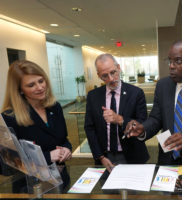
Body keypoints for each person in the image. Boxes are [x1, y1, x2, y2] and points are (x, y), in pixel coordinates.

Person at [1, 60, 72, 191]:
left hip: (61, 181)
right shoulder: (9, 117)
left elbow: (64, 140)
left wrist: (67, 149)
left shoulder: (55, 107)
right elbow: (6, 166)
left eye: (41, 81)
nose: (40, 87)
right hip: (32, 189)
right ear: (19, 90)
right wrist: (47, 157)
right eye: (31, 85)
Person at [84, 53, 149, 172]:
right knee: (107, 190)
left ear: (118, 68)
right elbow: (89, 128)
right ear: (99, 76)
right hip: (105, 157)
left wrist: (119, 119)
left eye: (113, 72)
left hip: (132, 156)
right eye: (105, 76)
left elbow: (142, 123)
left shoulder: (136, 93)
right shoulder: (93, 96)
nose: (111, 79)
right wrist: (100, 156)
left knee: (133, 190)